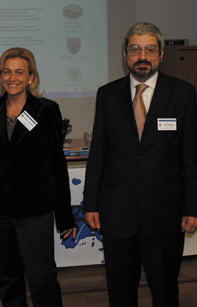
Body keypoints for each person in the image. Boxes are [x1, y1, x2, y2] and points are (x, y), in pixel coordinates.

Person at [83, 22, 197, 307]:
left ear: (161, 54)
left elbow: (191, 157)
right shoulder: (107, 95)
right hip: (117, 215)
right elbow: (98, 153)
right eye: (135, 49)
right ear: (125, 55)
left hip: (165, 215)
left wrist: (192, 208)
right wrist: (90, 203)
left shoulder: (183, 93)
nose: (141, 56)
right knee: (120, 293)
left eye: (149, 49)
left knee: (165, 291)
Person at [0, 47, 76, 307]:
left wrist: (64, 217)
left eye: (19, 72)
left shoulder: (46, 110)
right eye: (6, 71)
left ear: (31, 78)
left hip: (34, 210)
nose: (12, 77)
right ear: (0, 76)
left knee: (41, 278)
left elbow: (56, 165)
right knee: (8, 278)